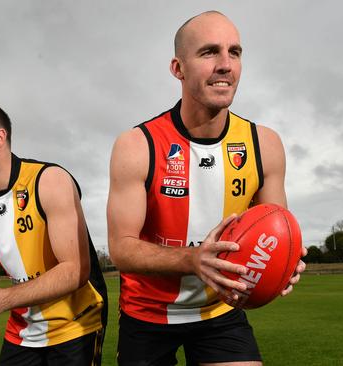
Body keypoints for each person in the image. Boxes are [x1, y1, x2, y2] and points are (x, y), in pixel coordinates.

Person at [107, 11, 307, 366]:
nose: (225, 64)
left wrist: (286, 264)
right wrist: (192, 259)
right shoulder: (138, 145)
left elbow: (277, 228)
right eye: (209, 52)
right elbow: (121, 249)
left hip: (219, 311)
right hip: (147, 314)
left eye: (235, 52)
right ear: (177, 68)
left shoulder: (264, 144)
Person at [0, 101, 107, 366]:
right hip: (22, 331)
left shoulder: (49, 180)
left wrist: (3, 299)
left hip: (76, 324)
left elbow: (75, 270)